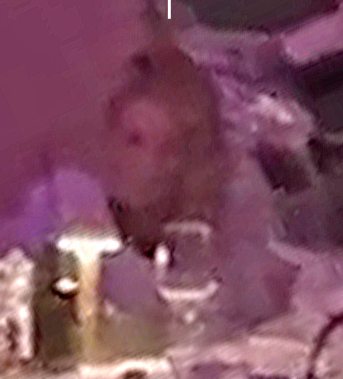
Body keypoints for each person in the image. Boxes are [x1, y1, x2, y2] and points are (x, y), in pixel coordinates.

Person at [101, 36, 297, 332]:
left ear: (176, 155)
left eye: (135, 141)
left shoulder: (233, 200)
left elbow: (260, 307)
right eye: (113, 132)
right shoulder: (93, 217)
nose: (115, 154)